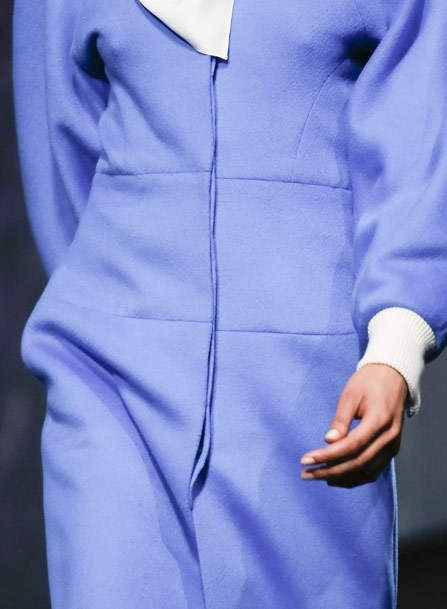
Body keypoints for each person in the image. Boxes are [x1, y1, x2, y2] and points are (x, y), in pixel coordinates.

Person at [12, 1, 447, 607]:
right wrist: (113, 309)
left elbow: (422, 133)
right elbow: (61, 142)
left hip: (307, 385)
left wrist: (396, 344)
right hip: (111, 371)